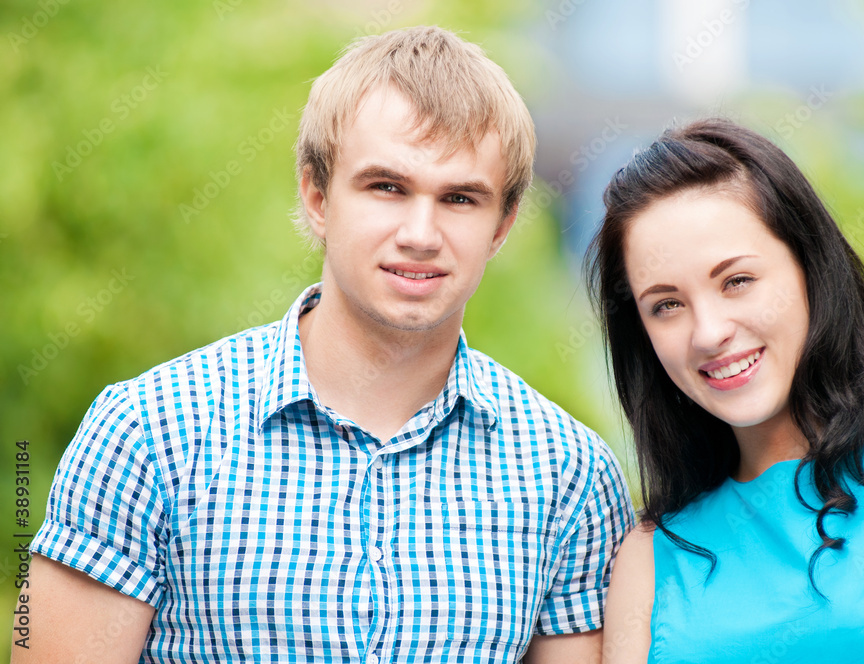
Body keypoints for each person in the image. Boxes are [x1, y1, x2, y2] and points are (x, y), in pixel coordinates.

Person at [16, 26, 634, 663]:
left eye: (459, 198)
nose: (420, 233)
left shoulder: (568, 475)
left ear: (502, 226)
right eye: (386, 187)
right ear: (316, 196)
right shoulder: (146, 432)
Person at [587, 119, 864, 662]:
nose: (709, 333)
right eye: (666, 305)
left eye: (736, 281)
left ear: (812, 270)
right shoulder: (649, 558)